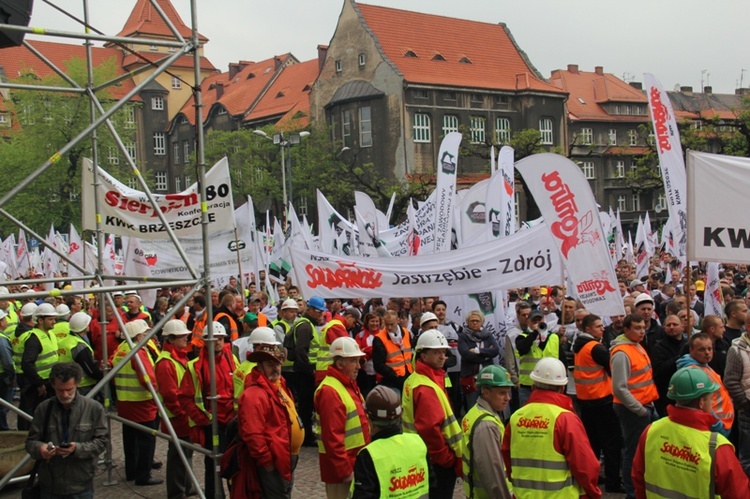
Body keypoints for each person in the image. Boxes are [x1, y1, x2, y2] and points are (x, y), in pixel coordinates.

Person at [632, 367, 750, 496]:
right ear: (701, 402)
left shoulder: (651, 431)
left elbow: (638, 478)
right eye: (711, 398)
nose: (712, 402)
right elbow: (739, 493)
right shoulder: (716, 447)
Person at [502, 357, 602, 498]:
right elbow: (585, 465)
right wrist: (593, 493)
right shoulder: (565, 419)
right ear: (562, 388)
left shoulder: (516, 418)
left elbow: (507, 457)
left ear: (533, 386)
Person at [236, 329, 303, 499]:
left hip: (286, 456)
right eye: (270, 364)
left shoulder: (279, 384)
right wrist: (267, 462)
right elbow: (252, 433)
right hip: (274, 460)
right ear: (259, 367)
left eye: (278, 363)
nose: (276, 368)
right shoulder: (254, 395)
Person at [25, 363, 108, 499]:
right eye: (60, 390)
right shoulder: (43, 409)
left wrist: (77, 449)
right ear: (53, 386)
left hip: (80, 484)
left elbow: (102, 441)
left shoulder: (94, 409)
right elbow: (30, 442)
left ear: (78, 384)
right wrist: (41, 448)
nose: (64, 394)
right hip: (50, 484)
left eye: (69, 390)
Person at [180, 321, 238, 498]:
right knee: (213, 465)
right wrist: (204, 419)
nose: (218, 342)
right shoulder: (195, 366)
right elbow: (184, 398)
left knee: (234, 465)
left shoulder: (232, 360)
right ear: (205, 341)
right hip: (212, 424)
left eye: (220, 338)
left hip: (232, 423)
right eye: (214, 339)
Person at [402, 329, 462, 499]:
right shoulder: (425, 386)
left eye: (444, 351)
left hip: (421, 453)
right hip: (436, 460)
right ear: (423, 354)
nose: (442, 356)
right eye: (436, 352)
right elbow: (430, 429)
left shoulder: (415, 379)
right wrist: (446, 458)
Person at [351, 385, 434, 498]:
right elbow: (432, 486)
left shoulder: (368, 455)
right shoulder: (418, 443)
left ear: (369, 419)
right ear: (400, 414)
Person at [314, 336, 371, 499]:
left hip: (353, 462)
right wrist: (344, 471)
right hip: (342, 469)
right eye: (353, 361)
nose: (358, 367)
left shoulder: (346, 384)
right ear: (340, 364)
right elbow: (332, 438)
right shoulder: (330, 391)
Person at [572, 314, 623, 493]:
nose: (603, 328)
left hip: (587, 401)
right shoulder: (596, 348)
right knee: (611, 443)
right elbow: (614, 369)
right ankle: (613, 482)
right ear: (588, 329)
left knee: (593, 443)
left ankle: (593, 476)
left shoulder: (579, 346)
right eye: (598, 326)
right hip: (602, 400)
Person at [610, 314, 658, 499]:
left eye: (643, 326)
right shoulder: (622, 353)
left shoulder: (635, 345)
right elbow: (619, 388)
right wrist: (640, 410)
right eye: (637, 327)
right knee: (633, 451)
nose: (642, 330)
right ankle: (632, 492)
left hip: (644, 404)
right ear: (626, 329)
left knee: (641, 449)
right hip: (633, 409)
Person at [112, 319, 162, 486]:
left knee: (130, 439)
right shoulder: (138, 352)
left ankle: (132, 471)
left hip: (124, 401)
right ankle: (143, 475)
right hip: (142, 402)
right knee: (147, 440)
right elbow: (148, 378)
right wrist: (158, 393)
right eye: (146, 333)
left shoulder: (121, 349)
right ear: (139, 336)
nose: (148, 336)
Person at [154, 319, 195, 499]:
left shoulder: (178, 357)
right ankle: (178, 492)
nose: (186, 339)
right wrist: (182, 413)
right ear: (170, 339)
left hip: (184, 415)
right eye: (182, 337)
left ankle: (187, 486)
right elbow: (170, 394)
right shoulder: (166, 362)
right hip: (178, 417)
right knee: (178, 456)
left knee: (185, 453)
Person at [460, 365, 513, 499]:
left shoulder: (475, 413)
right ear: (485, 392)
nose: (508, 398)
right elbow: (493, 475)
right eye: (502, 393)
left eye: (508, 392)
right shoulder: (486, 426)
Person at [676, 333, 735, 436]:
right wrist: (717, 424)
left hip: (722, 423)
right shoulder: (693, 372)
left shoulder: (703, 365)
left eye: (709, 349)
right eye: (702, 350)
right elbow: (701, 404)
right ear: (691, 350)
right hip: (715, 426)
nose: (707, 353)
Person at [13, 302, 59, 430]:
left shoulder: (50, 334)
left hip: (48, 382)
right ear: (40, 320)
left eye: (54, 319)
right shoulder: (34, 338)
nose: (54, 322)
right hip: (39, 384)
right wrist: (38, 383)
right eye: (50, 319)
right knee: (34, 415)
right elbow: (26, 363)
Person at [293, 296, 326, 447]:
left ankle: (306, 434)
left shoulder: (307, 324)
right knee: (306, 406)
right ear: (311, 310)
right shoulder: (305, 326)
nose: (322, 315)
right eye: (319, 312)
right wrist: (310, 371)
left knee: (307, 405)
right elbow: (301, 351)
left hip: (306, 372)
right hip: (306, 373)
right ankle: (306, 437)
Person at [515, 308, 560, 407]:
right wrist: (534, 333)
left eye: (539, 320)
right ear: (528, 321)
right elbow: (523, 349)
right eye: (534, 320)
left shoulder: (553, 337)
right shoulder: (522, 337)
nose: (537, 322)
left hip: (549, 383)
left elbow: (560, 360)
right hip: (528, 386)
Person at [458, 310, 499, 409]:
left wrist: (477, 351)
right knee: (473, 406)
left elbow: (495, 350)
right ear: (468, 322)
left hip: (487, 378)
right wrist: (486, 355)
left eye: (477, 320)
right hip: (471, 378)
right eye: (472, 321)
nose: (475, 323)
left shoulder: (488, 335)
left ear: (482, 322)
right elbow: (465, 354)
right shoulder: (463, 336)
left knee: (489, 405)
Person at [57, 311, 103, 397]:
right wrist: (101, 375)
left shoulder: (65, 341)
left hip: (67, 382)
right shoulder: (78, 345)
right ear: (84, 327)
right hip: (82, 386)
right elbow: (90, 369)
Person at [650, 314, 686, 417]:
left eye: (675, 324)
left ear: (682, 327)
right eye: (668, 325)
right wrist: (679, 358)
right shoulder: (658, 347)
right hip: (667, 394)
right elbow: (659, 370)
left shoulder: (688, 344)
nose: (671, 327)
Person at [372, 310, 414, 392]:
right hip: (391, 380)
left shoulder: (406, 333)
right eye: (387, 324)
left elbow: (409, 354)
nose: (389, 327)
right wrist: (394, 376)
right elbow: (378, 365)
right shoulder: (379, 338)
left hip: (408, 375)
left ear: (398, 320)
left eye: (392, 324)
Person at [354, 312, 379, 397]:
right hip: (364, 373)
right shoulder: (360, 335)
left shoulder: (383, 334)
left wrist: (366, 350)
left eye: (377, 321)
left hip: (378, 374)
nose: (375, 324)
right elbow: (358, 352)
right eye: (372, 321)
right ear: (367, 322)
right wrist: (374, 349)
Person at [0, 310, 14, 430]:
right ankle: (3, 429)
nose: (6, 321)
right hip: (2, 376)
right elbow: (7, 362)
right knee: (3, 406)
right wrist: (10, 377)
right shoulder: (2, 339)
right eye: (4, 319)